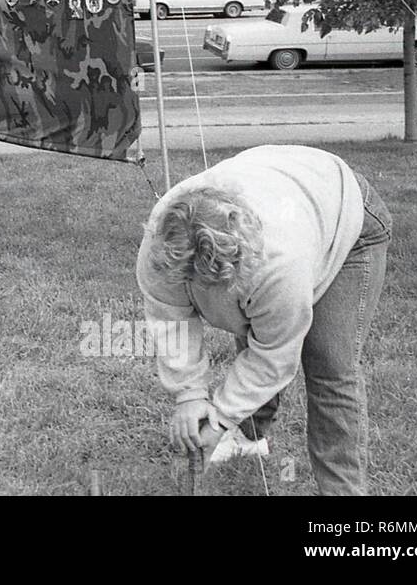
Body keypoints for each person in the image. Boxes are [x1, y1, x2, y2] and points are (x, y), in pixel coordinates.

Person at [135, 145, 392, 495]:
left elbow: (274, 352)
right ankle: (249, 437)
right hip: (282, 180)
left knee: (331, 366)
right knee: (252, 318)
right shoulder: (161, 243)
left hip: (345, 208)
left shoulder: (281, 263)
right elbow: (170, 317)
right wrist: (189, 395)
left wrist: (221, 415)